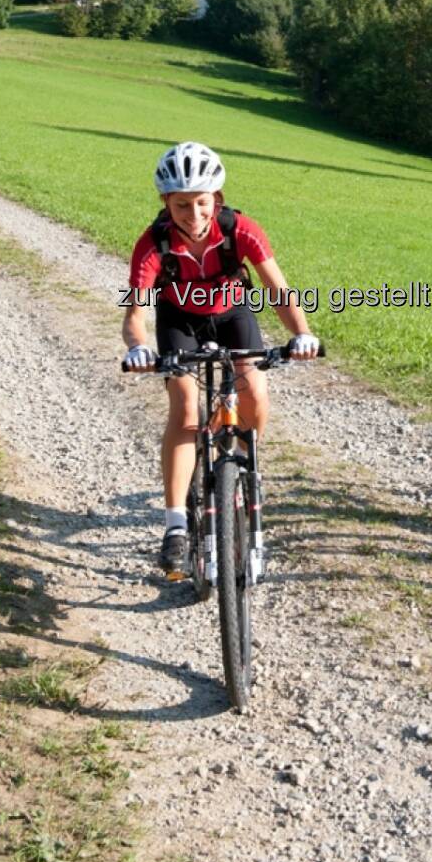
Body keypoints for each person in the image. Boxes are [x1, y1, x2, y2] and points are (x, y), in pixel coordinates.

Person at [122, 141, 320, 577]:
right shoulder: (153, 244)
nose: (193, 215)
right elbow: (135, 312)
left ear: (217, 199)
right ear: (165, 203)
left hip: (232, 315)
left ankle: (245, 470)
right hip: (179, 320)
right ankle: (175, 525)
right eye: (181, 206)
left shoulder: (241, 230)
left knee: (254, 389)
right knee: (186, 405)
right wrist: (138, 348)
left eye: (201, 203)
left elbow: (279, 291)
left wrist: (302, 334)